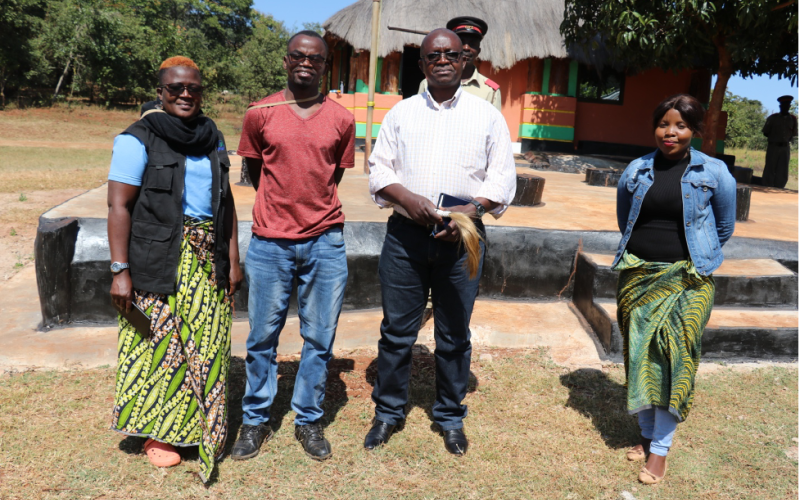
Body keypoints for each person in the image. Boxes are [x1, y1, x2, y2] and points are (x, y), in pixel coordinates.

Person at [365, 28, 516, 456]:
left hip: (462, 236)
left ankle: (449, 416)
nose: (444, 60)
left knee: (453, 334)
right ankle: (389, 413)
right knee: (397, 332)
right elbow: (379, 172)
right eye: (435, 55)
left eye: (452, 54)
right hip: (406, 238)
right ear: (423, 64)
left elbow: (502, 179)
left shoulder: (486, 116)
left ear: (464, 61)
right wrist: (407, 198)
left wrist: (469, 213)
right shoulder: (401, 113)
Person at [107, 56, 241, 482]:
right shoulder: (137, 138)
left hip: (209, 257)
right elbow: (118, 204)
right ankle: (161, 435)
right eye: (176, 88)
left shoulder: (212, 136)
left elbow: (227, 204)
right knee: (160, 346)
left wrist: (234, 259)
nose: (185, 94)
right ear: (161, 91)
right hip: (157, 256)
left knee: (210, 341)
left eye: (194, 88)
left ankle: (202, 428)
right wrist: (120, 269)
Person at [231, 30, 355, 462]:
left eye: (316, 59)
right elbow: (254, 168)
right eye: (298, 57)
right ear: (285, 62)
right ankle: (255, 420)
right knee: (262, 337)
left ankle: (308, 419)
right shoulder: (260, 112)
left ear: (325, 67)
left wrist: (309, 211)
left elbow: (331, 176)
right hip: (269, 243)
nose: (306, 63)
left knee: (319, 338)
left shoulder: (341, 119)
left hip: (325, 240)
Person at [614, 94, 736, 484]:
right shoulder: (636, 169)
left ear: (694, 131)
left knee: (676, 361)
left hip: (689, 280)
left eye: (681, 126)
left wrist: (692, 258)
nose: (671, 133)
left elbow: (724, 228)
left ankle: (660, 452)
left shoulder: (714, 172)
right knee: (640, 358)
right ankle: (648, 437)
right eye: (664, 124)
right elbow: (625, 220)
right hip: (638, 277)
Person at [418, 16, 501, 111]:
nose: (466, 48)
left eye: (472, 44)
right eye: (461, 42)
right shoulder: (427, 84)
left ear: (478, 51)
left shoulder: (490, 90)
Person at [762, 95, 797, 188]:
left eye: (788, 105)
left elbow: (793, 133)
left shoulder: (793, 119)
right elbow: (765, 132)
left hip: (785, 147)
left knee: (783, 169)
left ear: (789, 106)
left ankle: (779, 188)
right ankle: (767, 186)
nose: (786, 107)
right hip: (773, 146)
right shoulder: (773, 118)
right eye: (784, 105)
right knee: (770, 167)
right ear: (780, 106)